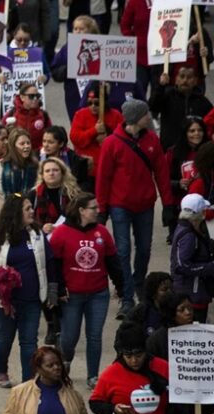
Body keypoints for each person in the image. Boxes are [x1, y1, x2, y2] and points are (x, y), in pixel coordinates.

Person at [96, 99, 176, 320]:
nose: (149, 116)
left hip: (145, 204)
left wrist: (168, 204)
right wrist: (102, 208)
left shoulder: (152, 140)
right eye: (145, 114)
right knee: (122, 250)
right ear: (135, 118)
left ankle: (138, 282)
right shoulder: (112, 143)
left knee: (144, 249)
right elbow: (103, 178)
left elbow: (161, 172)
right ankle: (128, 296)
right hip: (119, 205)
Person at [0, 195, 56, 387]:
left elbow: (50, 262)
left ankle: (27, 382)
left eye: (32, 207)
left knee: (29, 341)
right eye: (27, 208)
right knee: (5, 338)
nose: (32, 211)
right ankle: (1, 371)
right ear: (15, 213)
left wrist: (53, 290)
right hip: (4, 300)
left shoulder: (38, 235)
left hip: (32, 299)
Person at [49, 192, 123, 388]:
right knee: (69, 336)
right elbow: (54, 264)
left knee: (94, 335)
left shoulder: (102, 232)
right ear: (81, 211)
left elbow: (113, 262)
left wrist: (121, 287)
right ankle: (65, 362)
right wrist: (59, 289)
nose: (97, 211)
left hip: (98, 293)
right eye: (93, 208)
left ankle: (93, 375)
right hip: (71, 295)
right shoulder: (61, 233)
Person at [27, 158, 79, 347]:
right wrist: (41, 227)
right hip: (43, 247)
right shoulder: (34, 195)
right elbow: (25, 220)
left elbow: (81, 219)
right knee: (47, 285)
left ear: (62, 172)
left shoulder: (72, 194)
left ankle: (64, 324)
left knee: (64, 286)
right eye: (47, 170)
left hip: (68, 247)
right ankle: (52, 324)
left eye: (55, 170)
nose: (51, 173)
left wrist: (64, 228)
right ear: (42, 174)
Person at [0, 127, 39, 231]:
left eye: (28, 143)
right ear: (13, 146)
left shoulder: (36, 167)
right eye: (22, 144)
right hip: (3, 223)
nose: (26, 146)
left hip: (29, 223)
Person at [69, 84, 123, 191]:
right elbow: (75, 138)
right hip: (88, 173)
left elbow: (124, 140)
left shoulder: (116, 115)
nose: (93, 106)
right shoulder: (80, 115)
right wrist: (94, 131)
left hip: (110, 170)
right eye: (89, 103)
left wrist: (108, 139)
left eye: (97, 103)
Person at [170, 193, 214, 323]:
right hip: (192, 294)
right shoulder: (188, 235)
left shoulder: (186, 228)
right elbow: (182, 266)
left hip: (194, 292)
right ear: (199, 213)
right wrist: (210, 267)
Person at [150, 67, 212, 150]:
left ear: (195, 81)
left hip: (194, 151)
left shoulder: (202, 101)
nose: (185, 80)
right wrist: (161, 86)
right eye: (182, 77)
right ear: (176, 79)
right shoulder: (168, 96)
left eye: (189, 77)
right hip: (170, 149)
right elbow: (153, 106)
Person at [166, 118, 208, 241]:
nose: (196, 134)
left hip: (205, 206)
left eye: (200, 130)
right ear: (185, 133)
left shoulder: (210, 150)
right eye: (192, 131)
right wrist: (178, 183)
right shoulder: (172, 153)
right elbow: (163, 180)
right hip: (180, 207)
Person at [2, 84, 52, 150]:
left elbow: (50, 135)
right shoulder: (11, 114)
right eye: (31, 96)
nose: (35, 99)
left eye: (37, 96)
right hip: (17, 154)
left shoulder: (43, 115)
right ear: (22, 97)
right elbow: (2, 137)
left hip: (38, 154)